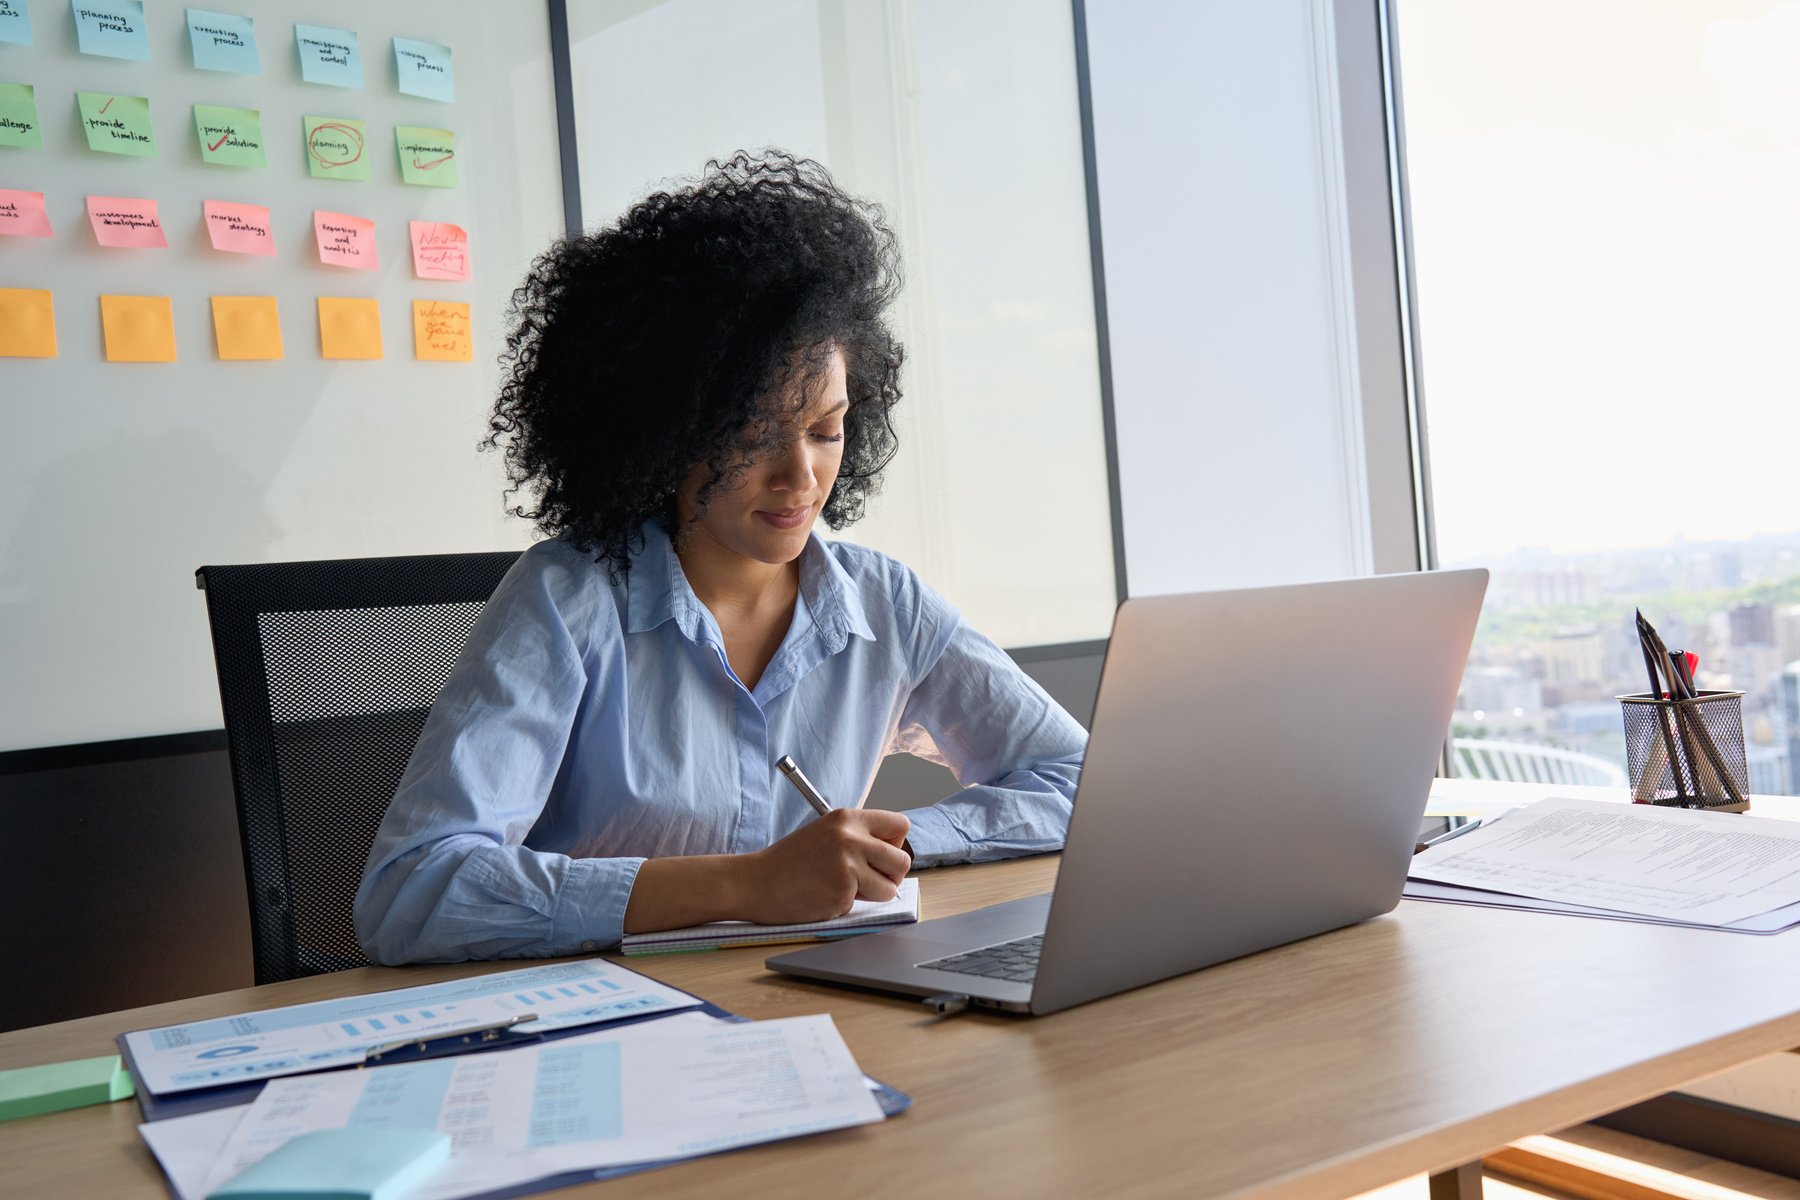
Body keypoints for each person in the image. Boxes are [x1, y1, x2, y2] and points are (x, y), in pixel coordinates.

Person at [354, 151, 1086, 963]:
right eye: (754, 434)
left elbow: (1077, 778)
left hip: (803, 1003)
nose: (801, 477)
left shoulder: (887, 605)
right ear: (664, 432)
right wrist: (746, 884)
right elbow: (412, 893)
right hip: (606, 1026)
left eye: (825, 429)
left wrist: (886, 844)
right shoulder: (567, 602)